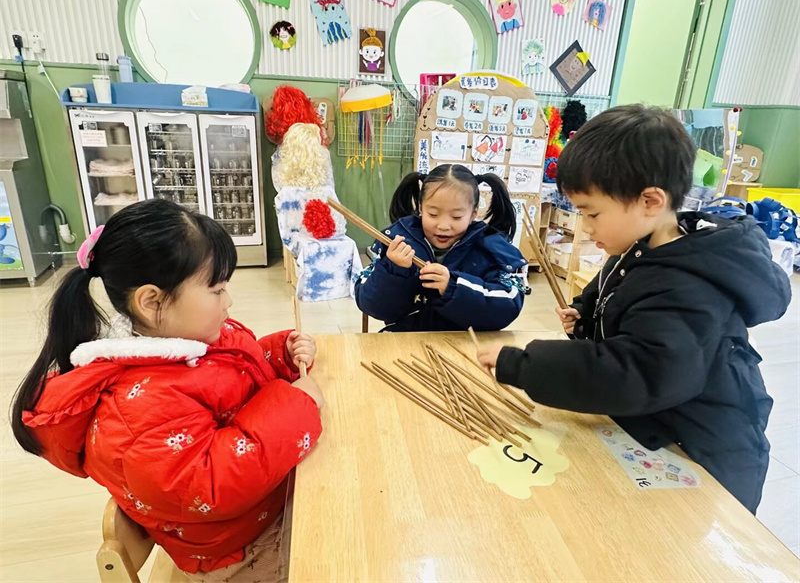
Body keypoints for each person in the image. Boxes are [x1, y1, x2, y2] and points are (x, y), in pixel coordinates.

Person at [477, 105, 791, 513]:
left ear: (650, 201)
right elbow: (613, 295)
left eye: (592, 213)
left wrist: (523, 365)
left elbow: (637, 372)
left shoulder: (688, 286)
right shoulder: (642, 245)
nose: (587, 226)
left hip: (706, 452)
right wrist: (585, 316)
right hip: (656, 425)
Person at [11, 200, 324, 580]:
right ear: (151, 301)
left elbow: (236, 373)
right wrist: (295, 406)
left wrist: (279, 356)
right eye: (217, 290)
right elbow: (212, 486)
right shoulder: (137, 409)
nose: (228, 301)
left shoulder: (192, 334)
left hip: (267, 500)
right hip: (239, 548)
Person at [355, 163, 527, 332]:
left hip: (466, 343)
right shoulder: (396, 241)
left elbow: (509, 305)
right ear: (420, 208)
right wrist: (393, 270)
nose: (443, 226)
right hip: (405, 340)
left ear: (473, 214)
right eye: (433, 214)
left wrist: (453, 287)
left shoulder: (490, 249)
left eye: (456, 216)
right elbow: (369, 305)